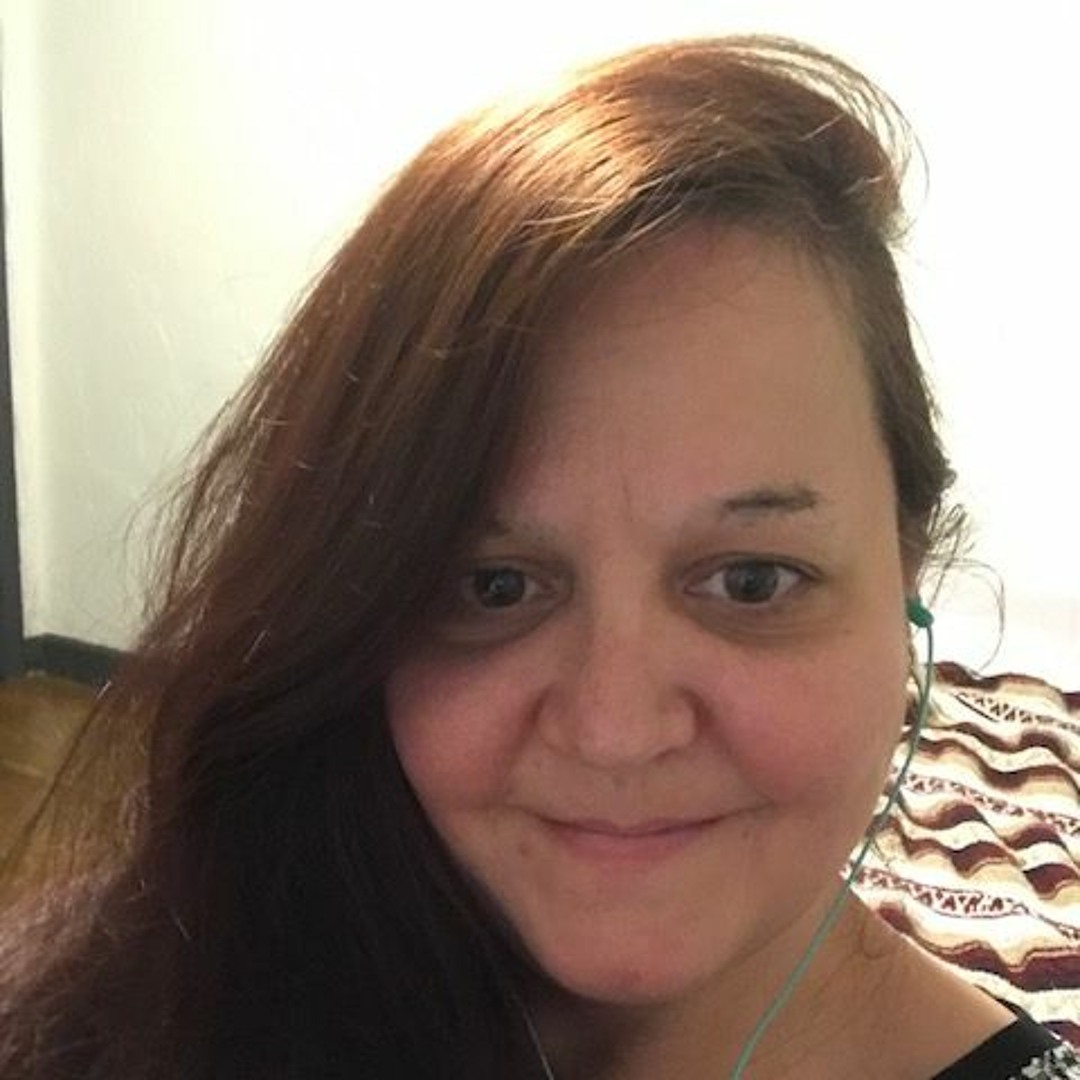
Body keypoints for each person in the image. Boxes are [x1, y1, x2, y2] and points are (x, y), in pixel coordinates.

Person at [1, 34, 1077, 1080]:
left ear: (905, 568)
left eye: (751, 581)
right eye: (495, 586)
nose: (615, 733)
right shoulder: (179, 970)